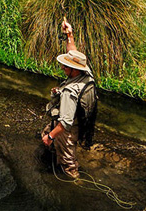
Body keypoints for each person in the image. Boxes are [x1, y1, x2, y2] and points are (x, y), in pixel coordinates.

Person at [41, 17, 95, 180]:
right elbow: (74, 54)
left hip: (69, 130)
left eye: (65, 66)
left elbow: (65, 123)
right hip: (81, 120)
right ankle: (50, 144)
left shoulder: (70, 92)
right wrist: (69, 35)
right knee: (46, 132)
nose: (62, 67)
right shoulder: (87, 74)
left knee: (67, 162)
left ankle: (75, 183)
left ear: (74, 70)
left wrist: (50, 137)